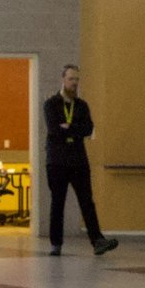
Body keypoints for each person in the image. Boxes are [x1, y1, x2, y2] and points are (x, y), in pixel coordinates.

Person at [43, 64, 118, 258]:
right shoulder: (51, 104)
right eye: (71, 79)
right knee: (57, 203)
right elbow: (54, 130)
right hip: (57, 161)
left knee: (87, 202)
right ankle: (56, 244)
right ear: (63, 79)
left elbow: (88, 129)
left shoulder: (82, 106)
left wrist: (69, 127)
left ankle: (98, 240)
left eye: (77, 79)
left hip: (78, 161)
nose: (74, 83)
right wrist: (72, 129)